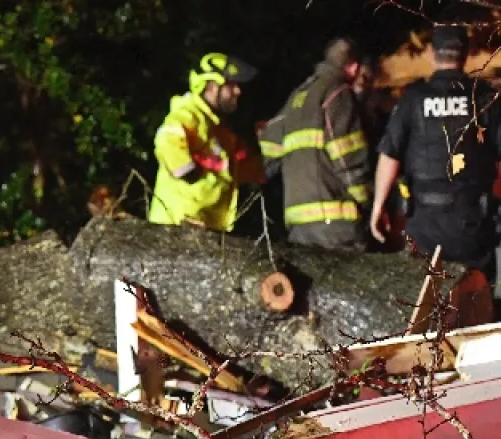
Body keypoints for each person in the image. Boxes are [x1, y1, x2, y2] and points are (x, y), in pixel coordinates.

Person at [371, 25, 501, 275]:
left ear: (432, 53)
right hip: (473, 223)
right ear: (467, 54)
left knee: (426, 302)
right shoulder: (485, 98)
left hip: (425, 224)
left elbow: (389, 155)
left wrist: (378, 207)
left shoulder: (413, 98)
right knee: (475, 300)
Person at [259, 38, 372, 249]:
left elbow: (267, 149)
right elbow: (348, 159)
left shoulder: (298, 96)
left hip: (298, 222)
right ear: (354, 67)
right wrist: (367, 202)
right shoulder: (338, 93)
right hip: (336, 224)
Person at [149, 52, 264, 231]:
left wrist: (272, 152)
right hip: (178, 224)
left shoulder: (220, 131)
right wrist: (187, 170)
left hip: (206, 226)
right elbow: (166, 140)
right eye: (230, 85)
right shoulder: (188, 113)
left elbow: (239, 170)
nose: (238, 91)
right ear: (211, 87)